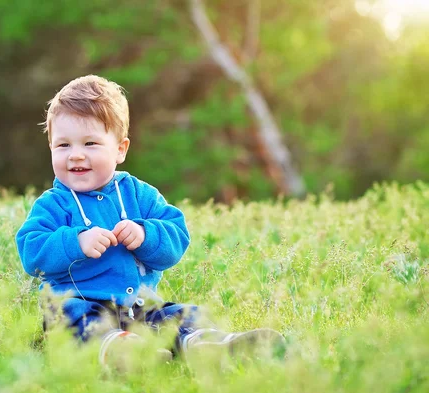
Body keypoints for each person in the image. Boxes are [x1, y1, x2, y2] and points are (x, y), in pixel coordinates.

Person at [15, 75, 285, 369]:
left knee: (185, 314)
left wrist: (146, 234)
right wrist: (75, 241)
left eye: (90, 143)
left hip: (140, 306)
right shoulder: (54, 203)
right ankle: (121, 353)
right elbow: (32, 251)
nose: (75, 155)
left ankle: (205, 344)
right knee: (70, 320)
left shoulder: (138, 194)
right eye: (63, 145)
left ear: (120, 149)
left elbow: (176, 237)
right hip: (81, 303)